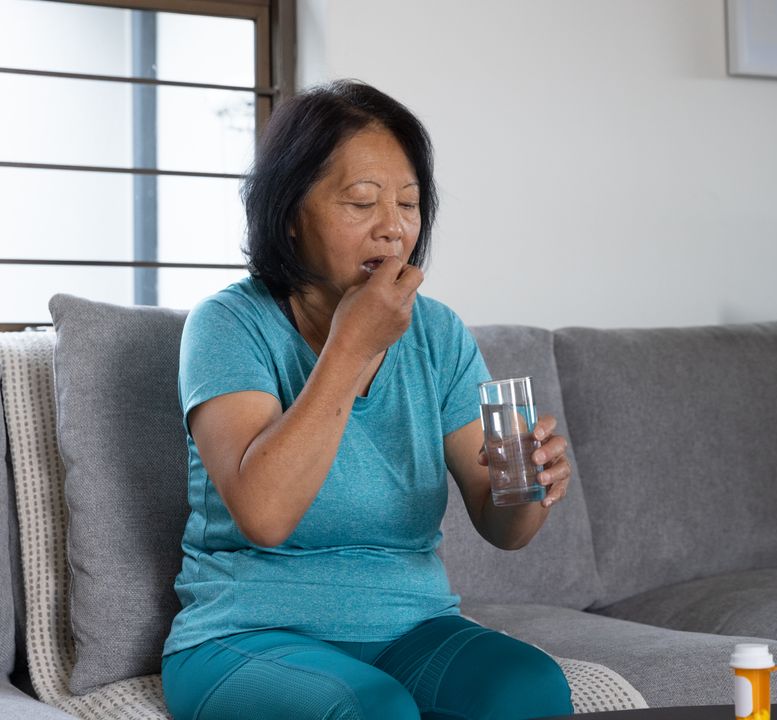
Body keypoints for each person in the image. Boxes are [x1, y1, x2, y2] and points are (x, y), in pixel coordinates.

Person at [160, 80, 575, 720]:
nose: (393, 228)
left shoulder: (438, 333)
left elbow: (504, 526)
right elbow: (264, 515)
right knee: (371, 709)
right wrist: (351, 346)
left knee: (530, 688)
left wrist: (530, 487)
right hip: (245, 636)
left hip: (413, 628)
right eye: (362, 202)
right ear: (291, 213)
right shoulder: (226, 326)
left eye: (408, 204)